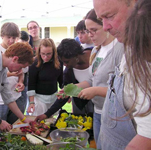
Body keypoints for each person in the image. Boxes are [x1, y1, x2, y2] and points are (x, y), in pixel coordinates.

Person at [93, 0, 151, 149]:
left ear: (136, 4)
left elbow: (147, 137)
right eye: (101, 19)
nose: (105, 27)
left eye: (110, 16)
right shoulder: (128, 45)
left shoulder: (145, 59)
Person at [71, 9, 123, 149]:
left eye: (94, 30)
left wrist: (95, 91)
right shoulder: (96, 50)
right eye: (88, 31)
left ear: (106, 26)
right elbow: (91, 80)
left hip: (115, 116)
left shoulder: (120, 49)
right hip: (98, 111)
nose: (90, 35)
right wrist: (72, 89)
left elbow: (123, 91)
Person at [35, 38, 93, 121]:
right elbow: (65, 95)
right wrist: (46, 114)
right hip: (80, 104)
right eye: (63, 62)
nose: (65, 65)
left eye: (67, 61)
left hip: (98, 103)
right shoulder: (68, 72)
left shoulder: (95, 55)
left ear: (76, 56)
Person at [0, 22, 25, 141]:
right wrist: (10, 73)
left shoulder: (17, 49)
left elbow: (21, 71)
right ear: (2, 35)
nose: (11, 40)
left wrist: (21, 82)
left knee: (15, 130)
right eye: (9, 37)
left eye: (14, 37)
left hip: (15, 96)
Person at [27, 38, 63, 116]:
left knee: (52, 122)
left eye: (49, 54)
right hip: (39, 99)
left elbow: (61, 81)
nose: (45, 57)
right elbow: (31, 84)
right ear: (39, 52)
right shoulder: (34, 63)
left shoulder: (59, 62)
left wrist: (65, 92)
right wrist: (32, 102)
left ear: (53, 52)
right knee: (39, 123)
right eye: (43, 54)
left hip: (53, 97)